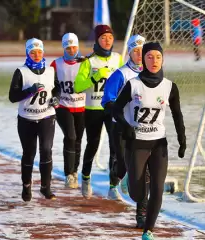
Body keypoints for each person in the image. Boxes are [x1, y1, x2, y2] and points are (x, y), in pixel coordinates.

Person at [113, 42, 187, 240]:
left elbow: (177, 115)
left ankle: (149, 230)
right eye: (149, 57)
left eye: (158, 57)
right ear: (143, 59)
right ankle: (130, 178)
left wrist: (182, 138)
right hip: (137, 144)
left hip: (158, 144)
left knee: (157, 188)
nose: (154, 61)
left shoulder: (170, 87)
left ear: (162, 60)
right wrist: (125, 126)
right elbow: (115, 109)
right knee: (137, 194)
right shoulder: (133, 85)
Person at [102, 34, 149, 225]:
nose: (139, 54)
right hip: (120, 127)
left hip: (142, 129)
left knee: (142, 170)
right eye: (135, 51)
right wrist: (120, 116)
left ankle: (141, 215)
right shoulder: (120, 74)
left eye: (142, 51)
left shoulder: (150, 74)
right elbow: (107, 100)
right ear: (129, 52)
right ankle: (117, 172)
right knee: (122, 164)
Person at [74, 25, 123, 199]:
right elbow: (77, 86)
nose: (107, 40)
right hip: (93, 108)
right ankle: (86, 177)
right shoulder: (89, 61)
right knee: (92, 144)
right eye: (103, 38)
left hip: (112, 109)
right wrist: (95, 76)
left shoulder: (118, 59)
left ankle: (113, 186)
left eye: (110, 37)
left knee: (115, 147)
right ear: (97, 41)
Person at [9, 38, 61, 202]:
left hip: (46, 116)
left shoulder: (50, 71)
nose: (37, 55)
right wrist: (29, 91)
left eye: (39, 52)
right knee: (29, 153)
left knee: (46, 150)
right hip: (26, 118)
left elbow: (57, 88)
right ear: (27, 53)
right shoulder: (21, 71)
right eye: (33, 52)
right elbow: (12, 97)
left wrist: (56, 99)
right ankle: (26, 186)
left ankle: (46, 187)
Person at [50, 33, 85, 189]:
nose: (71, 50)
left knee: (78, 139)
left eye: (74, 47)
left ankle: (75, 171)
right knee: (70, 137)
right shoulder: (56, 64)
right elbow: (51, 84)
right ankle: (68, 174)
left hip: (83, 107)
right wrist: (53, 99)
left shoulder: (86, 62)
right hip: (64, 107)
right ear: (64, 47)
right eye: (68, 47)